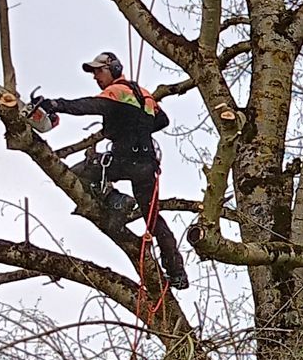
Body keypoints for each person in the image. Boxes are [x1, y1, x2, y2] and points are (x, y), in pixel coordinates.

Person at [32, 50, 190, 290]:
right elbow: (162, 120)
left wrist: (55, 104)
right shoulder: (145, 95)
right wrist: (137, 128)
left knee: (77, 173)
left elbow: (87, 106)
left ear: (114, 70)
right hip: (146, 163)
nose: (96, 77)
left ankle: (115, 200)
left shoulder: (116, 92)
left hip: (122, 160)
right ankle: (177, 272)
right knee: (153, 218)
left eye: (99, 71)